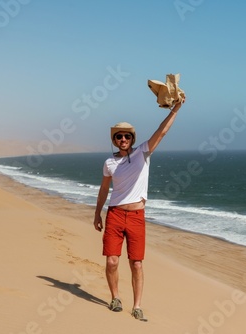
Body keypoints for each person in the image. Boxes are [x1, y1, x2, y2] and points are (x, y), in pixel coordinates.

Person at [93, 99, 184, 321]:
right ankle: (115, 298)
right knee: (112, 261)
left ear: (132, 139)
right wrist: (97, 213)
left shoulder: (143, 152)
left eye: (127, 136)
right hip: (114, 214)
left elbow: (161, 132)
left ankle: (137, 305)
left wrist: (176, 109)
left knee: (136, 263)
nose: (123, 139)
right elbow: (104, 189)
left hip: (136, 216)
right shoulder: (109, 163)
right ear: (114, 140)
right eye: (118, 136)